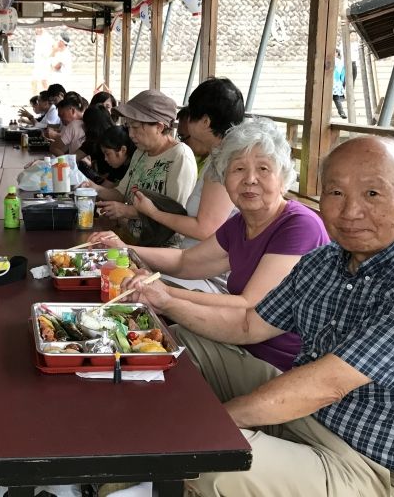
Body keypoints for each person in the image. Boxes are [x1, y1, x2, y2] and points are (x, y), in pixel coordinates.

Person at [126, 136, 394, 496]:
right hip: (302, 418)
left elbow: (326, 385)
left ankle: (166, 459)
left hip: (366, 466)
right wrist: (166, 302)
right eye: (336, 193)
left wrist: (215, 422)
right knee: (178, 343)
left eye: (372, 194)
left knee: (209, 452)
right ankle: (141, 448)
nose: (351, 211)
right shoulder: (324, 261)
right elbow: (249, 324)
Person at [93, 117, 329, 370]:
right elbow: (186, 261)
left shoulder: (299, 226)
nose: (250, 179)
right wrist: (125, 249)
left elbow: (249, 305)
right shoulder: (240, 224)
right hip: (240, 345)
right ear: (224, 178)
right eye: (238, 169)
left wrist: (165, 295)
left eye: (263, 169)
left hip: (282, 365)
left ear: (283, 179)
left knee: (165, 346)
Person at [133, 78, 245, 256]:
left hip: (207, 271)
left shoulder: (225, 162)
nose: (186, 122)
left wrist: (153, 212)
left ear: (206, 122)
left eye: (191, 115)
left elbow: (205, 229)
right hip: (194, 259)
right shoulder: (218, 155)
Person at [83, 89, 197, 246]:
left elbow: (174, 213)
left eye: (136, 127)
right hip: (132, 239)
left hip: (160, 247)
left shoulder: (179, 156)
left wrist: (125, 211)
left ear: (159, 127)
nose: (130, 134)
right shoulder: (140, 152)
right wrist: (94, 188)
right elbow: (122, 193)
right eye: (129, 127)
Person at [75, 104, 116, 185]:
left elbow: (72, 159)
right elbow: (72, 158)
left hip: (110, 180)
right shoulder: (117, 134)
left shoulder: (93, 142)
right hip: (108, 179)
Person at [31, 27, 54, 93]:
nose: (38, 29)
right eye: (37, 28)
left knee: (44, 81)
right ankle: (34, 97)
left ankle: (48, 96)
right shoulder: (38, 37)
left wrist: (49, 59)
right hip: (38, 63)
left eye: (40, 28)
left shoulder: (47, 37)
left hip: (45, 63)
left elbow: (53, 47)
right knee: (34, 81)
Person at [332, 48, 347, 119]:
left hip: (335, 82)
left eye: (335, 52)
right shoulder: (340, 62)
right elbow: (343, 75)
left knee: (336, 98)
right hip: (337, 82)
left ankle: (342, 112)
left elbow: (342, 74)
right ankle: (341, 112)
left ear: (337, 53)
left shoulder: (339, 62)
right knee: (336, 98)